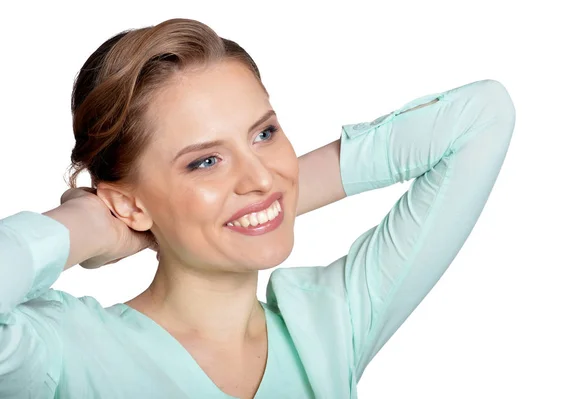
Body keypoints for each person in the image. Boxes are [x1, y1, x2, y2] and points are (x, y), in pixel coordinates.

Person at [0, 17, 516, 399]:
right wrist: (91, 226)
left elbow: (480, 117)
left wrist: (277, 197)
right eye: (205, 162)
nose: (260, 174)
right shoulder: (68, 353)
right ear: (127, 204)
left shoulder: (330, 326)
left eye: (264, 134)